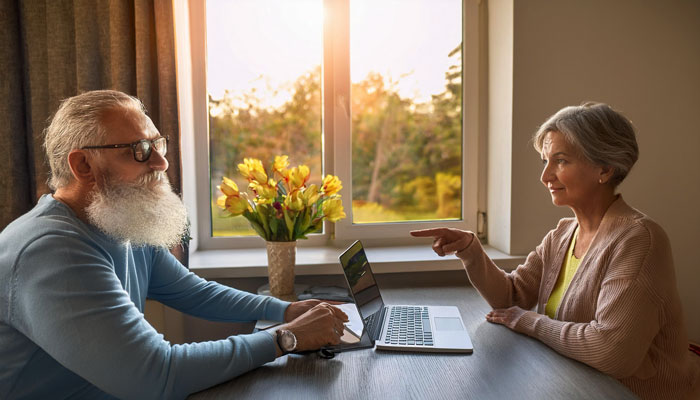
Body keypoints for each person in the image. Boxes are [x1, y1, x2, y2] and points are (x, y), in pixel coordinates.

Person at [0, 90, 348, 400]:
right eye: (139, 150)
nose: (161, 162)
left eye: (157, 144)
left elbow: (193, 293)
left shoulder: (116, 218)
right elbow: (156, 374)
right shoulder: (52, 252)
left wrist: (284, 311)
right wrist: (287, 338)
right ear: (83, 165)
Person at [411, 102, 699, 399]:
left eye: (560, 161)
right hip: (574, 386)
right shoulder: (563, 233)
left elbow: (612, 351)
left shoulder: (639, 239)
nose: (545, 176)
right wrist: (471, 251)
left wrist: (530, 322)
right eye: (545, 161)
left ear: (605, 168)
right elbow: (511, 297)